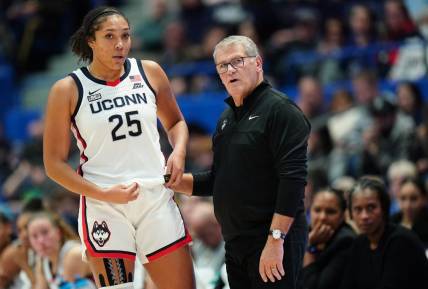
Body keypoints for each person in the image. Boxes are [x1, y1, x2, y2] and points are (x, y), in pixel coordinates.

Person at [42, 6, 195, 289]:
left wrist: (179, 151)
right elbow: (53, 165)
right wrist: (102, 193)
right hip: (104, 205)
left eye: (125, 36)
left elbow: (176, 124)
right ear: (91, 40)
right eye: (109, 36)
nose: (120, 44)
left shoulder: (149, 71)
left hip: (155, 197)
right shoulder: (67, 89)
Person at [172, 35, 311, 289]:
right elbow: (218, 179)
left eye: (237, 61)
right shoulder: (226, 119)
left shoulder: (281, 110)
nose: (229, 70)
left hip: (270, 239)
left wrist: (275, 239)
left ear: (258, 63)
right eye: (222, 66)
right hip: (235, 243)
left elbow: (293, 181)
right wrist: (173, 182)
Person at [340, 176, 428, 289]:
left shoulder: (401, 241)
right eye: (358, 209)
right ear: (350, 214)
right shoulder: (359, 243)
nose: (364, 216)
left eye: (371, 207)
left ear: (384, 208)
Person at [299, 189, 356, 289]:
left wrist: (309, 248)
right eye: (317, 210)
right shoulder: (303, 233)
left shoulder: (346, 241)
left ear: (343, 216)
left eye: (330, 212)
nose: (322, 217)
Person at [27, 211, 95, 289]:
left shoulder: (73, 254)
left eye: (45, 232)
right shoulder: (43, 260)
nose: (41, 241)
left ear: (58, 233)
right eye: (34, 236)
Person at [0, 197, 44, 289]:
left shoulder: (12, 252)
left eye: (26, 227)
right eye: (20, 230)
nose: (24, 235)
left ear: (8, 227)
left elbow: (36, 284)